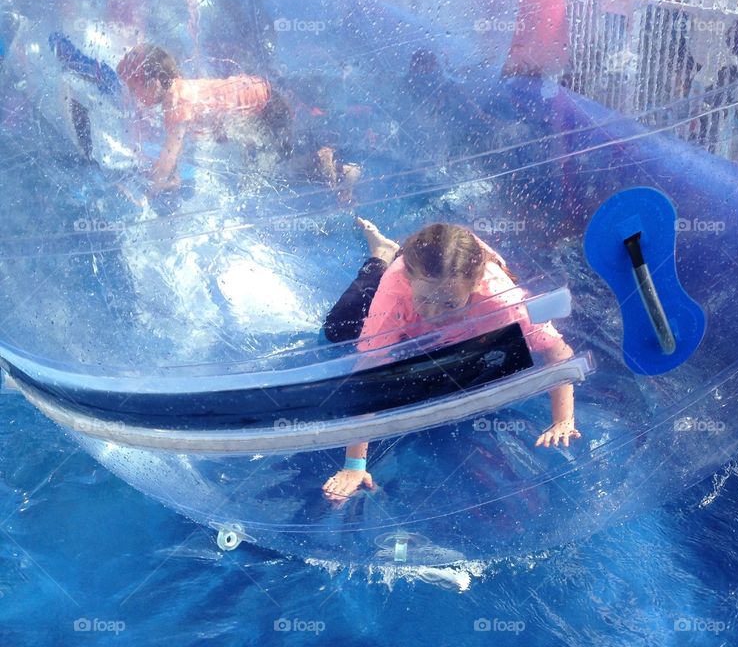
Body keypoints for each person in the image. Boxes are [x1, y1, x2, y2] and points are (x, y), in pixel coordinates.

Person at [321, 220, 581, 505]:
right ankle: (381, 253)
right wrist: (354, 466)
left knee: (486, 363)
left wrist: (563, 420)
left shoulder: (501, 300)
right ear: (410, 282)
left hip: (463, 280)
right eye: (425, 301)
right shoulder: (397, 289)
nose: (433, 314)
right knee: (338, 331)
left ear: (475, 286)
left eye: (448, 304)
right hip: (411, 274)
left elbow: (557, 351)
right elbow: (368, 375)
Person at [116, 43, 293, 195]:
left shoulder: (177, 103)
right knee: (253, 149)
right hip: (258, 91)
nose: (133, 96)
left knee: (279, 164)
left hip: (264, 104)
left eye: (133, 89)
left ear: (154, 83)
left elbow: (172, 150)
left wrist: (153, 188)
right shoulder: (179, 88)